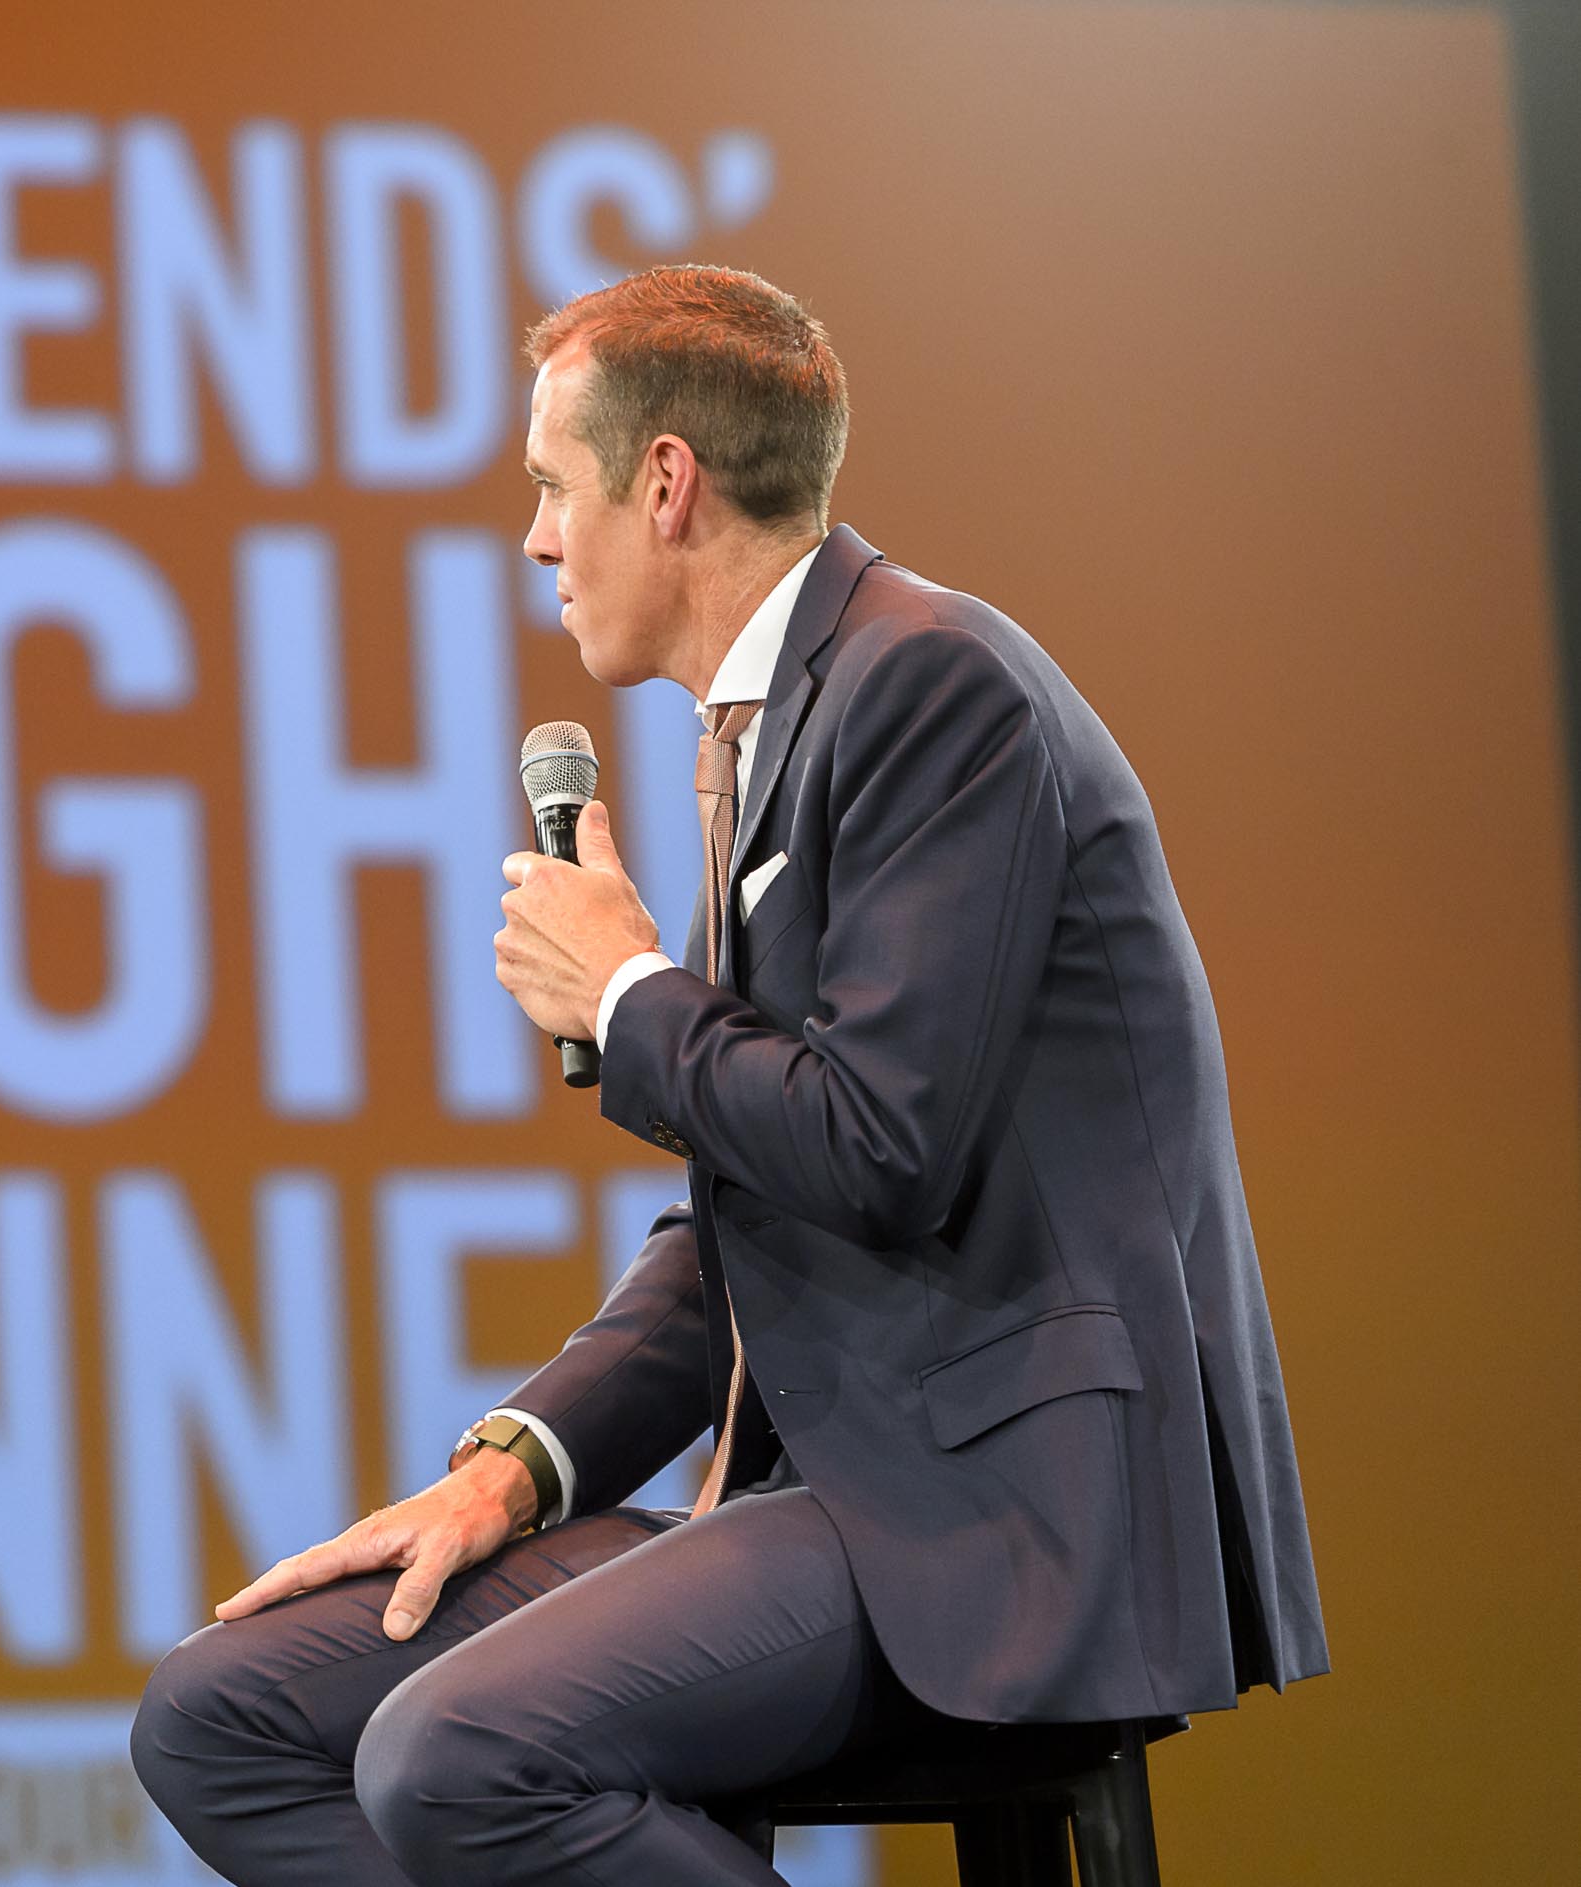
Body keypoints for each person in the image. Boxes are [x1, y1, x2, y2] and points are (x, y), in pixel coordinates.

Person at [131, 265, 1326, 1886]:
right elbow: (752, 1226)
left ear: (667, 484)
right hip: (829, 1495)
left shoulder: (931, 687)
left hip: (994, 1514)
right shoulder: (770, 735)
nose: (536, 542)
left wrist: (629, 992)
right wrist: (514, 1469)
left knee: (454, 1753)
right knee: (221, 1714)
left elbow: (881, 1149)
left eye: (553, 489)